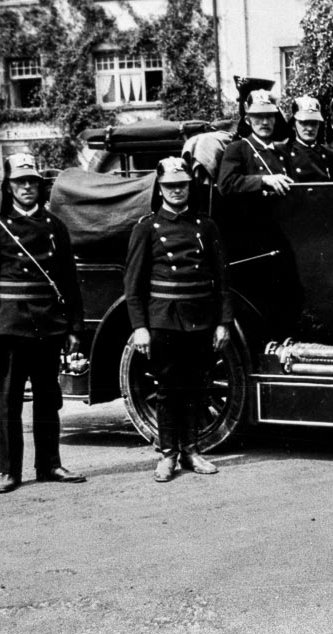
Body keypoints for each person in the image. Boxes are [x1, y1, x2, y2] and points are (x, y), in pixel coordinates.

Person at [0, 153, 87, 494]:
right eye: (20, 182)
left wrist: (74, 328)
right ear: (8, 187)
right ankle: (9, 470)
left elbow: (69, 280)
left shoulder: (55, 227)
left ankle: (49, 464)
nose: (27, 188)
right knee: (9, 400)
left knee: (48, 398)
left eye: (32, 182)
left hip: (48, 324)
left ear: (40, 187)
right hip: (11, 325)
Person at [124, 157, 232, 482]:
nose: (176, 191)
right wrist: (140, 327)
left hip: (200, 318)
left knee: (196, 387)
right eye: (170, 186)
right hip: (164, 320)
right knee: (169, 390)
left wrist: (224, 322)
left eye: (182, 185)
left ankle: (192, 451)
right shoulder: (147, 227)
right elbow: (133, 284)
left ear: (189, 187)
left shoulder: (206, 226)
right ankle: (168, 455)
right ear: (160, 188)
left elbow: (223, 280)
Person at [218, 89, 294, 196]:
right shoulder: (237, 148)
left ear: (275, 119)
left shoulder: (282, 150)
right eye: (258, 116)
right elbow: (226, 184)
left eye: (269, 116)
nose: (265, 122)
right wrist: (263, 180)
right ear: (247, 120)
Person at [283, 95, 333, 182]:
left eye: (314, 123)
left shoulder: (329, 155)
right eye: (304, 123)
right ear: (293, 125)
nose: (310, 128)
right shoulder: (285, 153)